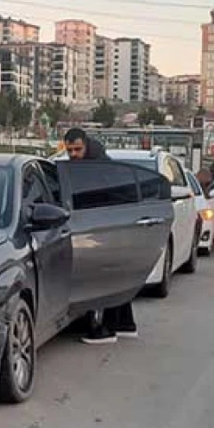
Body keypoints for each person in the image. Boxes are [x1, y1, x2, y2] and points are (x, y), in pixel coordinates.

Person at [61, 128, 137, 345]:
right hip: (113, 227)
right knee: (114, 275)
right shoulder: (94, 164)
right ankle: (125, 324)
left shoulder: (98, 169)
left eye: (77, 149)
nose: (73, 155)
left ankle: (105, 329)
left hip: (107, 228)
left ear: (86, 145)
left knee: (103, 278)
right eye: (70, 151)